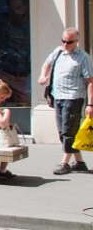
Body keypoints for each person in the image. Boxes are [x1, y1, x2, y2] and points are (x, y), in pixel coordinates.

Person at [38, 27, 93, 175]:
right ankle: (80, 162)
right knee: (63, 131)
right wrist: (43, 76)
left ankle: (64, 163)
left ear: (76, 41)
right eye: (63, 41)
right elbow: (46, 64)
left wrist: (90, 104)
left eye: (69, 42)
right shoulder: (58, 52)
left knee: (68, 131)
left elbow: (90, 82)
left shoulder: (83, 57)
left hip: (73, 98)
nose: (65, 44)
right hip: (58, 97)